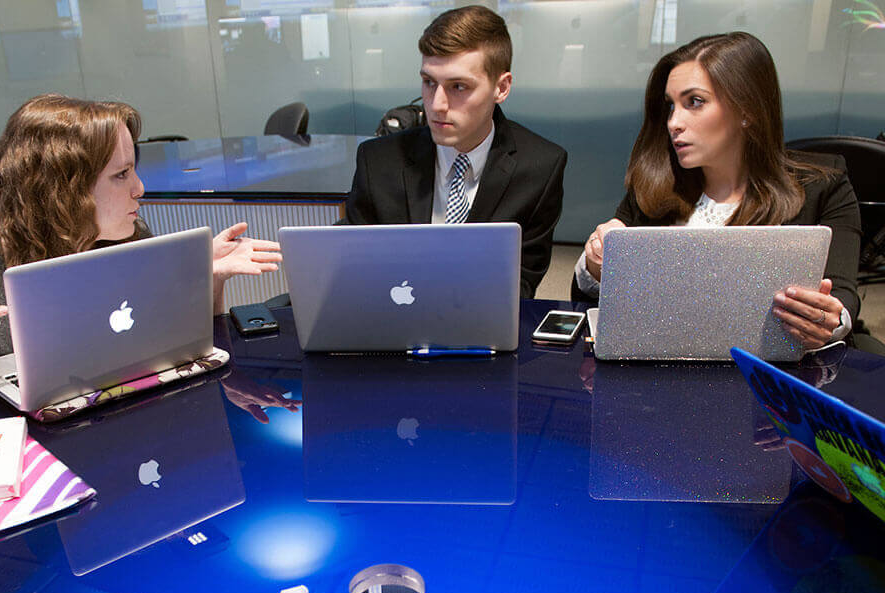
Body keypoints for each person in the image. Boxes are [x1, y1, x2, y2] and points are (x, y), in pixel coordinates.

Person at [0, 94, 282, 398]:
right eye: (122, 174)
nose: (139, 189)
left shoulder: (127, 235)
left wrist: (204, 278)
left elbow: (176, 348)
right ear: (63, 190)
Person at [575, 32, 864, 351]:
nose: (674, 122)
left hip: (768, 380)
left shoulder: (824, 186)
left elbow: (842, 299)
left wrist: (830, 319)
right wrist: (596, 264)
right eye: (671, 106)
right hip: (660, 370)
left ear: (747, 110)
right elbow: (587, 302)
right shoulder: (655, 184)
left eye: (694, 102)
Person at [342, 5, 567, 299]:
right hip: (392, 320)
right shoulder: (378, 162)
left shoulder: (540, 167)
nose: (436, 105)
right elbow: (351, 266)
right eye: (429, 82)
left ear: (502, 87)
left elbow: (522, 286)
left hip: (483, 325)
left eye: (458, 86)